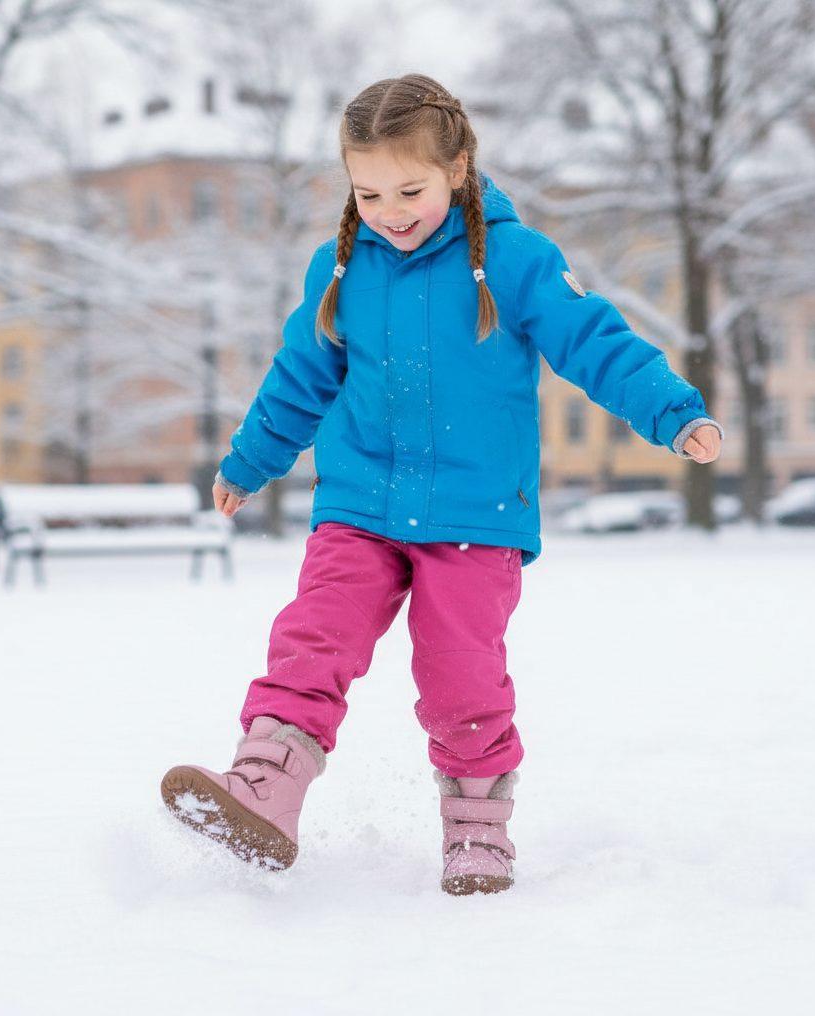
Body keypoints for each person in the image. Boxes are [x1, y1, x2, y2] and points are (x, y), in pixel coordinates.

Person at [160, 73, 723, 895]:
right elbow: (300, 377)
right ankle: (265, 791)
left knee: (461, 674)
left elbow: (595, 343)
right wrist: (251, 459)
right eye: (369, 190)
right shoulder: (343, 267)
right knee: (315, 633)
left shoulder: (517, 261)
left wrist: (673, 413)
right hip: (360, 505)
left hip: (476, 512)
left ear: (459, 168)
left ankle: (477, 832)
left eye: (411, 189)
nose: (390, 209)